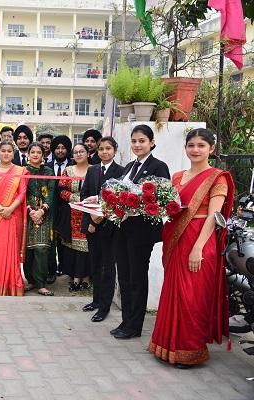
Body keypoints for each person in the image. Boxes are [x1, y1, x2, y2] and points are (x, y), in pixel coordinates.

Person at [149, 129, 234, 367]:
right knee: (173, 291)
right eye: (191, 145)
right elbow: (174, 208)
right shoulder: (177, 176)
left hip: (200, 240)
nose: (195, 150)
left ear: (211, 149)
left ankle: (190, 349)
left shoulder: (217, 177)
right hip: (175, 238)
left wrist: (197, 248)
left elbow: (214, 216)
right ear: (186, 148)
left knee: (192, 296)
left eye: (201, 145)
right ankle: (166, 346)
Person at [113, 124, 170, 340]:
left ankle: (134, 326)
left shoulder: (158, 167)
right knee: (125, 277)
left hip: (142, 232)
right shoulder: (129, 166)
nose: (137, 145)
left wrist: (135, 204)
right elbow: (117, 192)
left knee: (137, 277)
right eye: (134, 141)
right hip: (123, 228)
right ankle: (126, 320)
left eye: (142, 141)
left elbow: (161, 198)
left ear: (151, 143)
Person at [79, 137, 124, 322]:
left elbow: (120, 199)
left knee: (107, 267)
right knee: (95, 265)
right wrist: (90, 220)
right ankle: (96, 300)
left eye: (108, 148)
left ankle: (104, 307)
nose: (104, 152)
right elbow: (84, 195)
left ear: (115, 150)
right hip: (92, 226)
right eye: (101, 149)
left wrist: (100, 217)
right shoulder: (92, 170)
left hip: (111, 227)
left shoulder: (122, 171)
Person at [0, 142, 29, 296]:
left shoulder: (20, 171)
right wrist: (0, 208)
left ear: (13, 153)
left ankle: (11, 283)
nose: (6, 153)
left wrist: (10, 208)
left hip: (13, 215)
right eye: (3, 151)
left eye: (9, 151)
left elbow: (22, 193)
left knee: (11, 249)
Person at [24, 143, 56, 296]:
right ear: (28, 154)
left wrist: (42, 211)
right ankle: (30, 281)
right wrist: (31, 211)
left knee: (41, 248)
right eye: (33, 152)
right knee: (28, 249)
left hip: (45, 214)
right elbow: (20, 194)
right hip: (26, 214)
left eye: (39, 152)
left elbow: (51, 193)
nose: (35, 155)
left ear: (43, 155)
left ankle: (41, 283)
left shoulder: (48, 171)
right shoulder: (23, 171)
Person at [59, 143, 90, 291]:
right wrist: (75, 198)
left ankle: (86, 277)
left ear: (88, 153)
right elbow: (61, 190)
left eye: (81, 151)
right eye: (76, 152)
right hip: (72, 214)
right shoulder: (68, 171)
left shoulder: (94, 170)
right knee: (74, 248)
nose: (78, 154)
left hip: (90, 214)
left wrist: (87, 200)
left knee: (88, 247)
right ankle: (76, 277)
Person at [49, 135, 74, 282]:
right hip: (50, 207)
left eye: (63, 148)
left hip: (67, 207)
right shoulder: (47, 165)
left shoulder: (73, 165)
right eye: (57, 148)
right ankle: (52, 270)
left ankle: (66, 268)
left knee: (66, 239)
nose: (60, 150)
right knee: (52, 239)